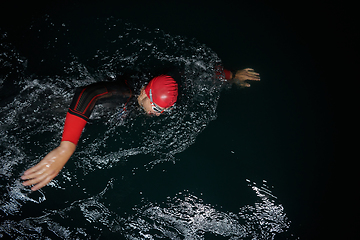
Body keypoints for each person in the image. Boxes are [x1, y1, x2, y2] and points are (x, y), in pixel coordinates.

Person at [21, 67, 260, 191]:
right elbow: (87, 93)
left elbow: (203, 72)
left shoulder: (174, 81)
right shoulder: (123, 94)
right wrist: (66, 147)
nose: (157, 113)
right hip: (62, 104)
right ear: (145, 92)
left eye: (163, 110)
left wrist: (232, 75)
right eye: (155, 106)